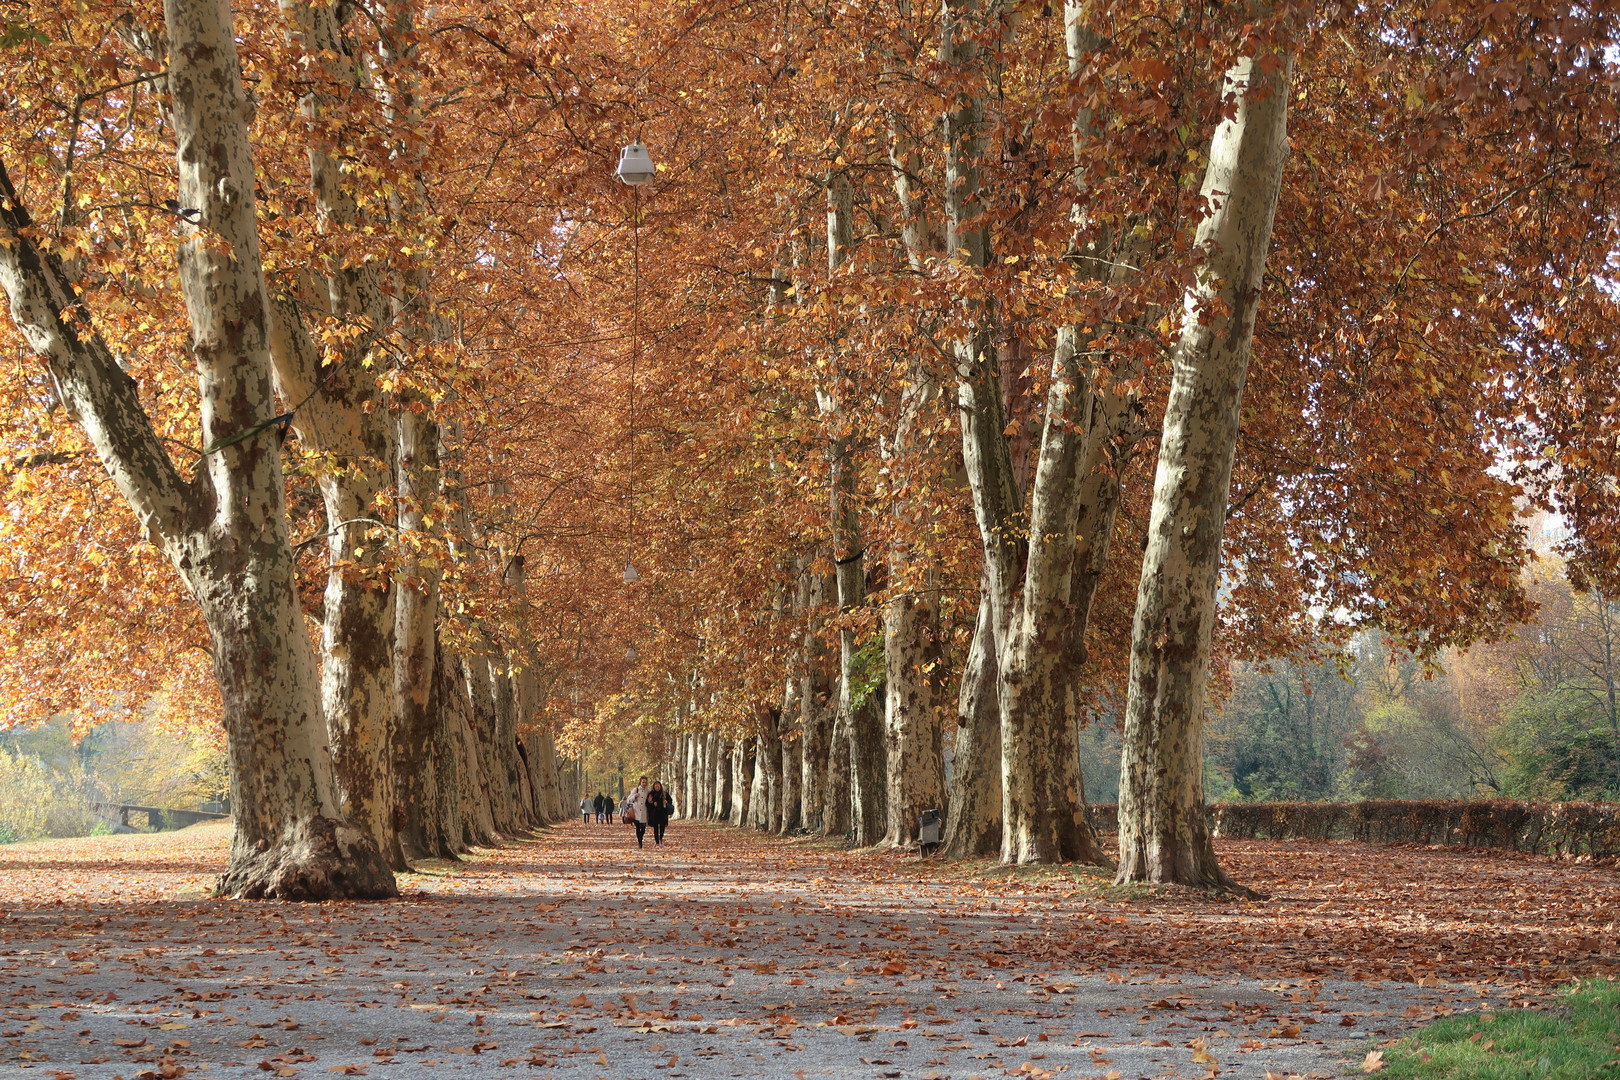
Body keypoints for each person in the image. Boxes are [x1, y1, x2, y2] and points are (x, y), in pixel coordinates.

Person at [645, 781, 674, 847]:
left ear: (660, 786)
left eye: (658, 786)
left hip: (663, 813)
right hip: (654, 813)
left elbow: (670, 801)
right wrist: (652, 803)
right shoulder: (651, 794)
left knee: (662, 828)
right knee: (655, 828)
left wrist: (666, 802)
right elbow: (647, 804)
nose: (657, 788)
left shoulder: (664, 794)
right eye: (656, 786)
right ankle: (657, 842)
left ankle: (661, 838)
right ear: (653, 787)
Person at [626, 776, 651, 848]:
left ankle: (641, 837)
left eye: (645, 782)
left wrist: (650, 800)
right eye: (643, 782)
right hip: (636, 811)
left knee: (643, 828)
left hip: (643, 811)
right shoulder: (636, 790)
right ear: (640, 782)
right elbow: (629, 799)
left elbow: (649, 801)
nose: (644, 783)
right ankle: (640, 842)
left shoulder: (648, 791)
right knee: (637, 827)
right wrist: (634, 796)